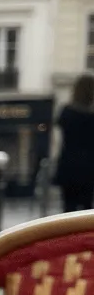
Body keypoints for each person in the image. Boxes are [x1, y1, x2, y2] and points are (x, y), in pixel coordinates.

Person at [53, 74, 94, 213]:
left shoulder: (67, 112)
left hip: (68, 166)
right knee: (87, 208)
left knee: (68, 208)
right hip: (89, 167)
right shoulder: (91, 116)